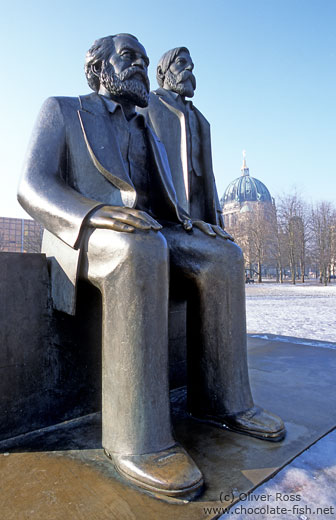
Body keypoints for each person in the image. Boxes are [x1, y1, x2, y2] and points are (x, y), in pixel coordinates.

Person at [18, 33, 285, 500]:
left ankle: (225, 402)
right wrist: (93, 213)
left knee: (224, 256)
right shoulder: (61, 109)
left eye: (144, 58)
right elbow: (31, 185)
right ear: (98, 69)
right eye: (129, 57)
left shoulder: (147, 130)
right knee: (138, 251)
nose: (141, 64)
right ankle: (138, 442)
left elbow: (165, 205)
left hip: (145, 231)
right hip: (81, 233)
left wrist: (195, 226)